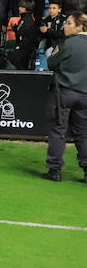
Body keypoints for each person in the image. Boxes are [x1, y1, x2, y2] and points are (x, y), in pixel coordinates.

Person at [43, 12, 87, 182]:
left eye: (69, 23)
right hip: (84, 94)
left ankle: (54, 170)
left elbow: (52, 63)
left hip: (63, 92)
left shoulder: (67, 43)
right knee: (83, 133)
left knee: (58, 130)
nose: (65, 26)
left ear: (79, 27)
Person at [7, 0, 38, 70]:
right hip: (22, 45)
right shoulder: (23, 19)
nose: (19, 8)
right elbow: (19, 31)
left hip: (26, 48)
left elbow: (24, 33)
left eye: (21, 7)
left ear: (26, 8)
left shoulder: (28, 20)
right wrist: (15, 27)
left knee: (14, 57)